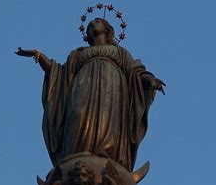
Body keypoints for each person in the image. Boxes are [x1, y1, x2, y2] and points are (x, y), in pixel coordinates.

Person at [16, 17, 165, 172]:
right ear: (87, 34)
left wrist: (149, 79)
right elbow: (59, 74)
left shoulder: (120, 52)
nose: (93, 23)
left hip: (112, 88)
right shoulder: (78, 54)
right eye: (90, 23)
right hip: (83, 87)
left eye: (97, 21)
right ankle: (76, 153)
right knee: (78, 113)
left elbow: (135, 71)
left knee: (108, 119)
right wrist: (38, 55)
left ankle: (106, 152)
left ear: (107, 29)